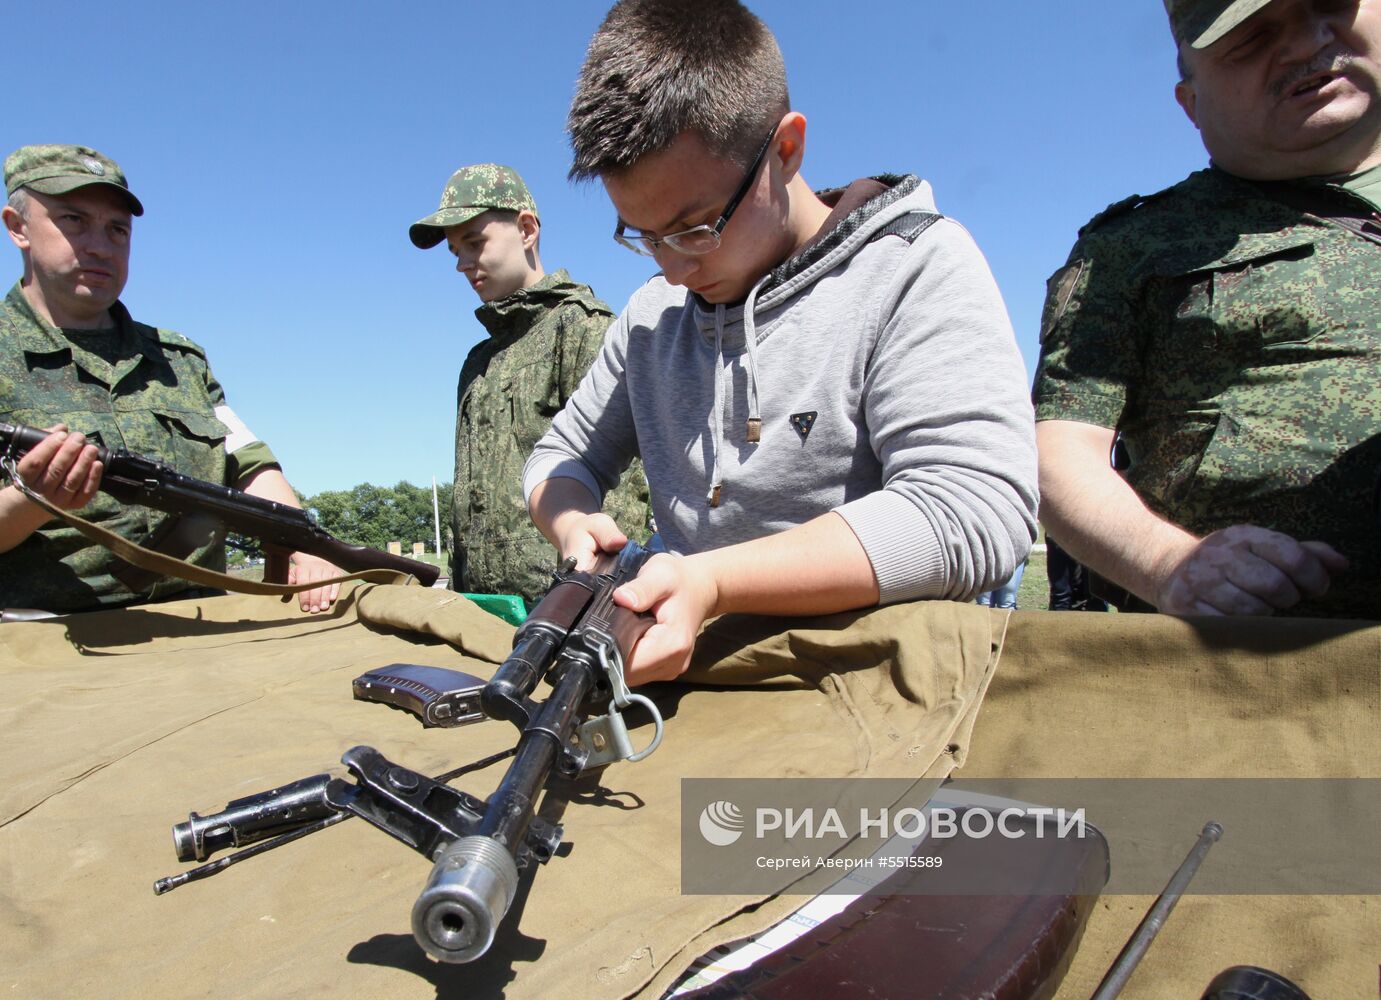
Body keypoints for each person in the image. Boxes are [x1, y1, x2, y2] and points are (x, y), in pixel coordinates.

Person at [523, 0, 1038, 683]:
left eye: (694, 228)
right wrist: (570, 520)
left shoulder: (911, 266)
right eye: (641, 235)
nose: (671, 269)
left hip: (878, 690)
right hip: (693, 686)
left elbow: (972, 511)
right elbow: (562, 455)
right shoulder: (654, 314)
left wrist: (712, 582)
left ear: (786, 150)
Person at [1033, 0, 1381, 620]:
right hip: (1265, 670)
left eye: (1327, 4)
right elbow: (1058, 453)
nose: (1304, 44)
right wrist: (1171, 566)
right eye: (1250, 39)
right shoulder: (1132, 246)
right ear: (1191, 102)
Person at [0, 144, 340, 615]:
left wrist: (307, 545)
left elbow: (246, 462)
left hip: (205, 621)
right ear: (18, 228)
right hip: (49, 640)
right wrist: (31, 500)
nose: (100, 245)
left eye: (118, 229)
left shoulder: (180, 358)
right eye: (73, 220)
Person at [409, 163, 648, 603]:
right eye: (454, 251)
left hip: (563, 609)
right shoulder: (479, 362)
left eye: (475, 243)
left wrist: (593, 599)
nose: (462, 264)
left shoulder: (582, 328)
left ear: (526, 229)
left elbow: (624, 490)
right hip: (483, 611)